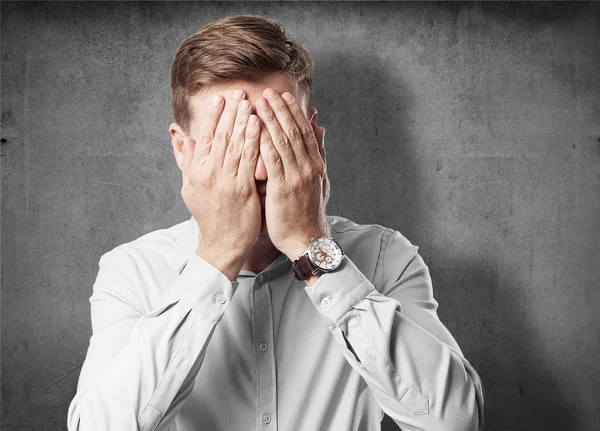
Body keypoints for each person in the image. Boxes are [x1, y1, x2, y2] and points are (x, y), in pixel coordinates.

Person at [67, 15, 484, 431]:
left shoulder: (383, 258)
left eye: (277, 136)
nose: (261, 170)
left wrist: (312, 247)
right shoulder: (133, 271)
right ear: (182, 149)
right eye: (230, 142)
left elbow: (456, 420)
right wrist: (215, 256)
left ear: (313, 141)